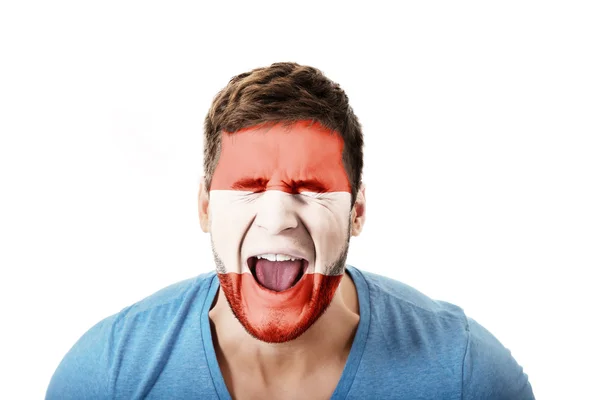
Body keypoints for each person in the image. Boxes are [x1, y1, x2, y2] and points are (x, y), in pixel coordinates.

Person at [46, 62, 535, 399]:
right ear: (204, 208)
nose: (277, 217)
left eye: (310, 188)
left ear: (357, 212)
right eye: (249, 187)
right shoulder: (106, 376)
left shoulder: (466, 376)